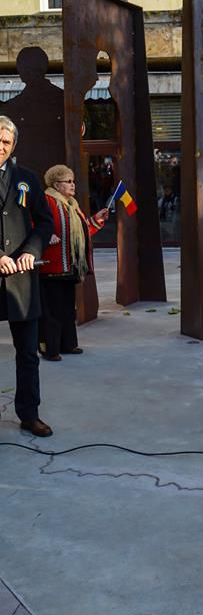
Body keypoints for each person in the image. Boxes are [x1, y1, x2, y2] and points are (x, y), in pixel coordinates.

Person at [0, 116, 54, 437]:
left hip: (21, 279)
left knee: (28, 353)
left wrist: (32, 250)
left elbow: (45, 221)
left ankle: (29, 413)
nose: (0, 147)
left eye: (6, 142)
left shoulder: (28, 179)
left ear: (14, 145)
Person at [39, 165, 108, 361]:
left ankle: (68, 345)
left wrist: (96, 220)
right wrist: (44, 236)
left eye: (73, 181)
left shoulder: (73, 205)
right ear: (56, 184)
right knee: (51, 310)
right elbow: (33, 223)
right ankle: (50, 349)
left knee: (68, 308)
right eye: (68, 181)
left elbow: (83, 232)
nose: (73, 185)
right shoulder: (46, 201)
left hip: (70, 266)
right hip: (50, 265)